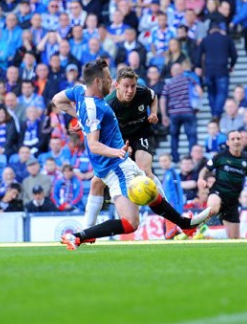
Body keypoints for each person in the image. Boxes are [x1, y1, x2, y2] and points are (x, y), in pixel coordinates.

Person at [52, 59, 200, 250]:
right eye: (107, 77)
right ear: (97, 81)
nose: (111, 80)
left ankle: (182, 224)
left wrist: (81, 118)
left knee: (150, 192)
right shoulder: (97, 107)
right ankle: (79, 236)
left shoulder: (80, 91)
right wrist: (118, 151)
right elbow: (94, 144)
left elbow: (57, 99)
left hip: (115, 161)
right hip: (116, 165)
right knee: (131, 222)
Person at [193, 130, 247, 239]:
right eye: (233, 139)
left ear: (242, 141)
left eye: (238, 138)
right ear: (228, 142)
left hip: (232, 200)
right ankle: (190, 224)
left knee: (235, 239)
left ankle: (200, 232)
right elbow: (204, 170)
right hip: (218, 192)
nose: (236, 141)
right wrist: (200, 179)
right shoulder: (220, 156)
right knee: (213, 209)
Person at [160, 63, 200, 163]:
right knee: (191, 136)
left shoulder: (168, 83)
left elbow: (162, 99)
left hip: (174, 113)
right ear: (182, 70)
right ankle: (192, 157)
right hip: (188, 111)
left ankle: (175, 158)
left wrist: (164, 115)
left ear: (172, 72)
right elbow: (199, 91)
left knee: (174, 136)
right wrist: (197, 105)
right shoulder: (189, 79)